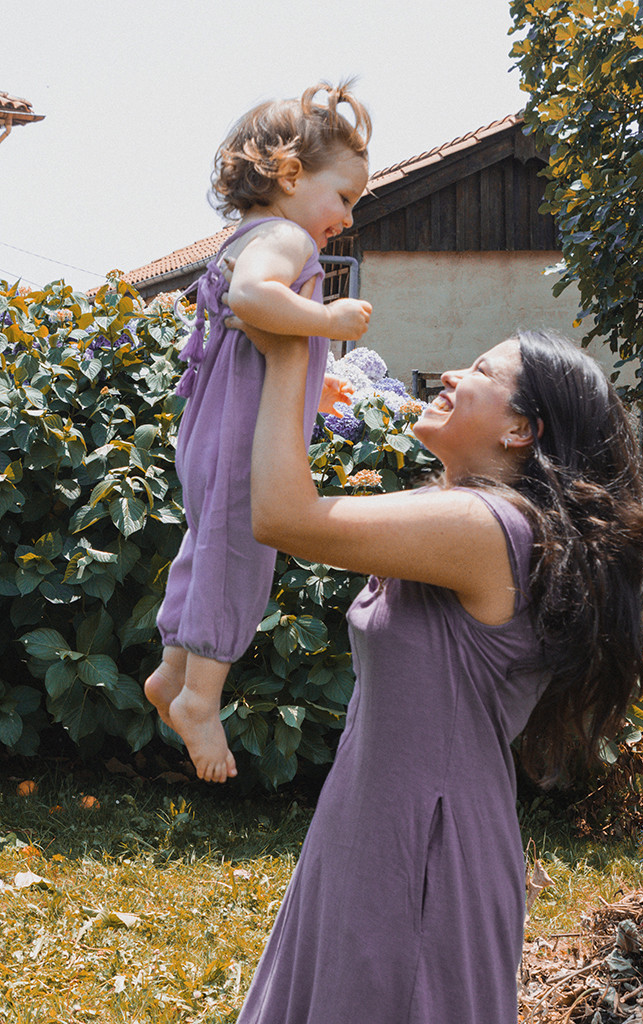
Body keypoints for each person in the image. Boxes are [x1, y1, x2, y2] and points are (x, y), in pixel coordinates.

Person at [227, 321, 643, 1023]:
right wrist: (311, 388)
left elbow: (283, 516)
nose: (452, 378)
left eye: (479, 372)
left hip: (424, 844)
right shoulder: (473, 516)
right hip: (377, 818)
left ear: (521, 428)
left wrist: (291, 345)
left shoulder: (485, 528)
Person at [144, 81, 373, 784]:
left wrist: (317, 371)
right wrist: (330, 322)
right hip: (242, 437)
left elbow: (255, 329)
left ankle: (171, 674)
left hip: (211, 429)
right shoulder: (286, 236)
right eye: (344, 198)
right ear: (292, 175)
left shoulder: (245, 235)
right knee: (239, 558)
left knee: (206, 548)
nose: (348, 218)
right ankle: (199, 699)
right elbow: (253, 299)